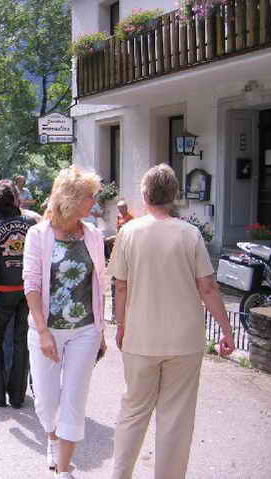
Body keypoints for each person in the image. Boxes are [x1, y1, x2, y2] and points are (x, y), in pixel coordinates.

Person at [108, 164, 235, 479]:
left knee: (133, 411)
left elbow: (120, 286)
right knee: (176, 418)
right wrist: (226, 329)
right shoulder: (189, 234)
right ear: (174, 195)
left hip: (140, 337)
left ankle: (120, 475)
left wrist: (121, 326)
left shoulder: (128, 233)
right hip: (184, 340)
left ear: (145, 194)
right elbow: (208, 287)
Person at [23, 166, 108, 479]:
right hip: (46, 330)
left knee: (74, 398)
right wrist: (43, 331)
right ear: (71, 198)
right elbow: (31, 284)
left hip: (85, 331)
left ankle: (63, 469)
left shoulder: (94, 235)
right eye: (89, 197)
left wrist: (101, 331)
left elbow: (100, 284)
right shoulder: (38, 235)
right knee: (46, 402)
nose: (94, 203)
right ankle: (52, 436)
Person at [0, 179, 37, 408]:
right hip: (26, 293)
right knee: (21, 342)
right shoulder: (30, 224)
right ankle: (18, 396)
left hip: (2, 293)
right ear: (15, 200)